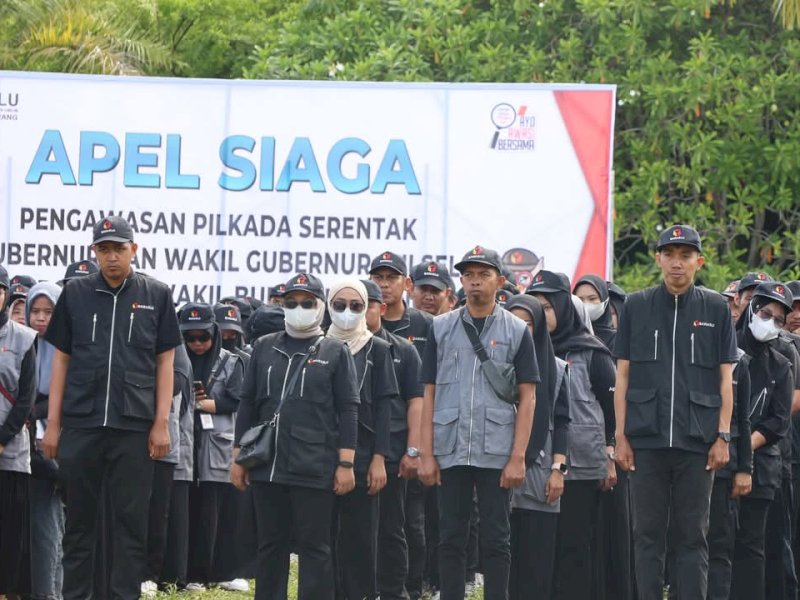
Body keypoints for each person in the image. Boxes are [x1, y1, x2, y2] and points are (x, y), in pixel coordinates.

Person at [42, 215, 182, 600]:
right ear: (94, 253)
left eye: (119, 248)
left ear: (133, 250)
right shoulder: (75, 293)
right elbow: (61, 361)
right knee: (79, 525)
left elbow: (165, 362)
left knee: (130, 525)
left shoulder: (156, 294)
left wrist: (161, 423)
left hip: (134, 428)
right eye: (104, 249)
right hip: (82, 424)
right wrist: (53, 426)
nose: (112, 257)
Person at [613, 224, 737, 600]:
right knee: (646, 537)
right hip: (645, 442)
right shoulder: (635, 305)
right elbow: (623, 375)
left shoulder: (716, 307)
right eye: (670, 255)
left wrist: (723, 436)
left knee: (692, 538)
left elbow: (725, 380)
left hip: (697, 441)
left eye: (685, 256)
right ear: (658, 259)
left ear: (699, 261)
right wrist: (619, 437)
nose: (677, 263)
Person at [418, 245, 538, 600]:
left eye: (483, 275)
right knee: (450, 537)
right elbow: (428, 393)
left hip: (497, 449)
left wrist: (518, 456)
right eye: (468, 275)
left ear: (500, 281)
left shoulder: (517, 330)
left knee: (496, 539)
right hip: (450, 446)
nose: (475, 282)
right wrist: (425, 453)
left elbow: (528, 396)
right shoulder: (440, 328)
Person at [231, 273, 360, 600]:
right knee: (270, 545)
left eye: (307, 302)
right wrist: (237, 456)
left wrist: (346, 463)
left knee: (315, 548)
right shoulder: (263, 347)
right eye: (291, 302)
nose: (299, 307)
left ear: (321, 307)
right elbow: (247, 405)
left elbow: (348, 410)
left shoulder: (335, 351)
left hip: (314, 465)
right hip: (266, 464)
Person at [527, 270, 616, 600]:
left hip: (580, 469)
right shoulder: (524, 349)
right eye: (534, 307)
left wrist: (610, 456)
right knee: (539, 553)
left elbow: (613, 410)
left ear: (564, 307)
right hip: (534, 469)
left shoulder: (592, 353)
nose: (541, 314)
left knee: (574, 549)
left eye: (547, 307)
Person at [326, 278, 398, 600]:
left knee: (360, 538)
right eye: (339, 306)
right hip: (323, 452)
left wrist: (380, 458)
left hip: (365, 455)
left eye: (356, 306)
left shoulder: (379, 349)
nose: (347, 312)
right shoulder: (319, 345)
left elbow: (385, 409)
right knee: (324, 537)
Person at [369, 251, 433, 599]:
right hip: (368, 440)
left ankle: (411, 586)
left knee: (410, 520)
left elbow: (422, 395)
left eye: (390, 278)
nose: (383, 284)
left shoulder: (424, 327)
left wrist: (417, 447)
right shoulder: (359, 327)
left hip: (407, 440)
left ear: (405, 284)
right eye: (377, 278)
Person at [505, 294, 570, 600]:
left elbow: (562, 422)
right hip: (498, 474)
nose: (521, 329)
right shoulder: (491, 365)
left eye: (528, 323)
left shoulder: (556, 368)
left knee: (537, 566)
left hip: (541, 477)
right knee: (502, 564)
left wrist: (558, 470)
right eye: (514, 322)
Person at [731, 282, 794, 599]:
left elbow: (777, 422)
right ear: (751, 309)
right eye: (765, 313)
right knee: (716, 543)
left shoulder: (782, 365)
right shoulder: (725, 351)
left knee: (752, 548)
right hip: (718, 462)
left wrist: (743, 449)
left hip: (762, 468)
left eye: (778, 319)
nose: (770, 322)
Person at [180, 302, 245, 590]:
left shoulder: (231, 361)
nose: (197, 344)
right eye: (189, 338)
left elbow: (239, 400)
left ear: (214, 334)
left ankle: (213, 572)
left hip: (215, 447)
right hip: (182, 444)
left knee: (212, 511)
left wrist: (208, 405)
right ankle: (183, 573)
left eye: (203, 337)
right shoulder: (174, 360)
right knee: (184, 511)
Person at [25, 281, 66, 600]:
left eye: (49, 311)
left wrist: (34, 408)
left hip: (58, 450)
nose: (40, 318)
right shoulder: (22, 345)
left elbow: (69, 395)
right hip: (21, 450)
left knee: (51, 527)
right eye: (35, 311)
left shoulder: (70, 350)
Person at [0, 264, 37, 598]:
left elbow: (26, 397)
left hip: (9, 454)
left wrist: (2, 439)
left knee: (9, 533)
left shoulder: (24, 339)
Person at [159, 343, 195, 591]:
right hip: (130, 441)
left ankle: (162, 575)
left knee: (162, 514)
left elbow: (177, 384)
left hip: (168, 444)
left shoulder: (176, 352)